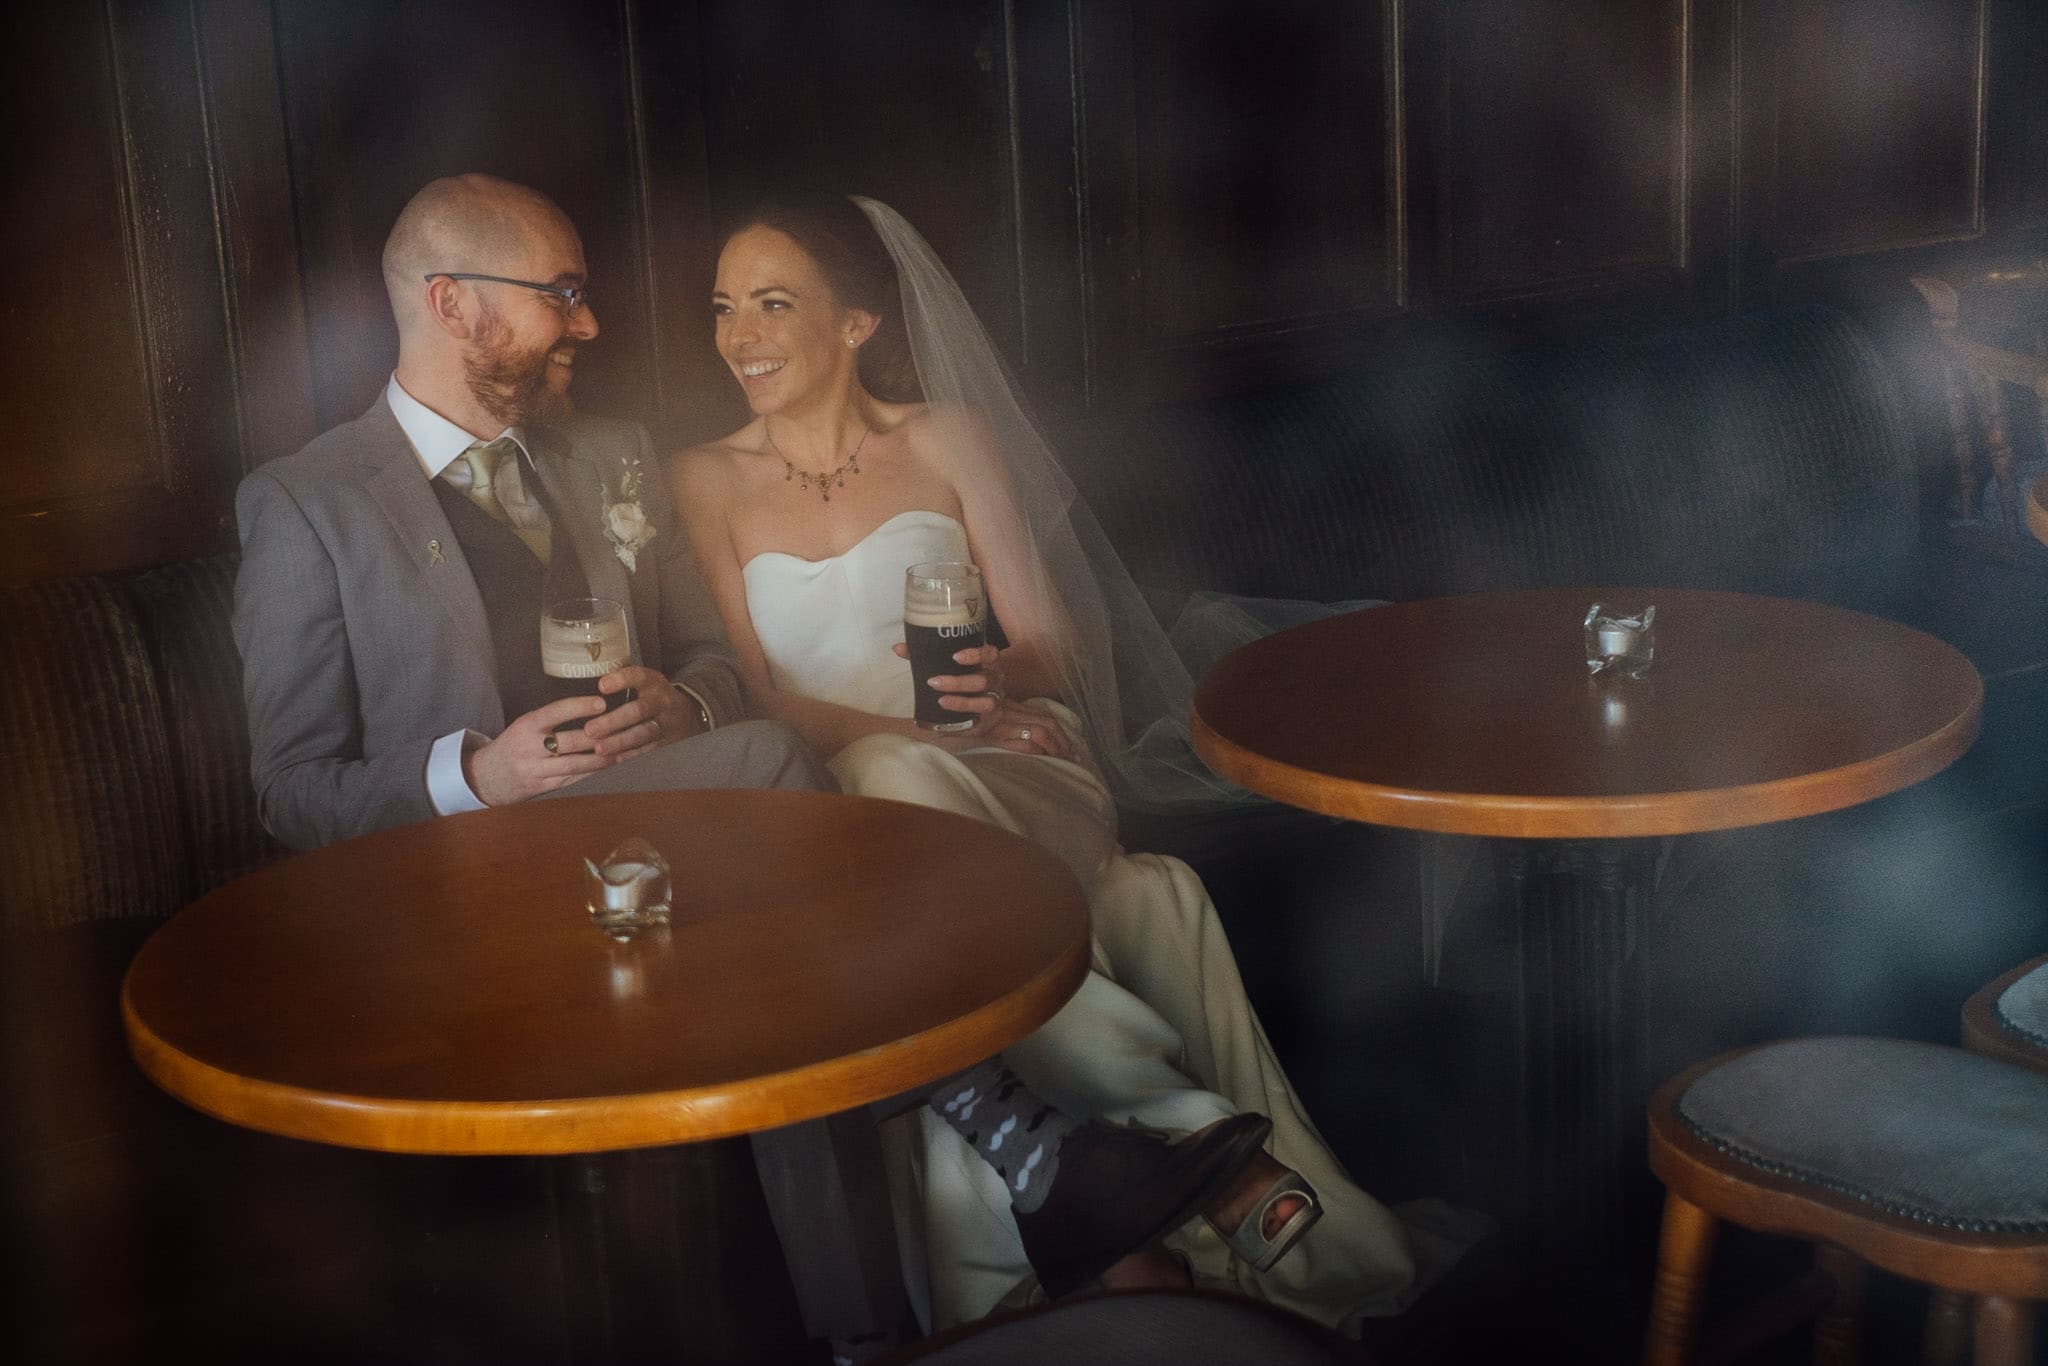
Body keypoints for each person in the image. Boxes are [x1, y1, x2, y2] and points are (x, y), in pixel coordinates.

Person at [229, 173, 1282, 1354]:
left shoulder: (608, 455)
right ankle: (1025, 1147)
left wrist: (684, 701)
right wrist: (481, 776)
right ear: (452, 302)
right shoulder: (306, 504)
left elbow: (713, 665)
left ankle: (878, 1329)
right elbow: (289, 789)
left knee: (793, 945)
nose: (588, 322)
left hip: (669, 856)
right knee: (784, 795)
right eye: (560, 294)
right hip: (473, 891)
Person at [670, 192, 1453, 1332]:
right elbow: (759, 695)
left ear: (857, 323)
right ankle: (1191, 1150)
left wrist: (1000, 681)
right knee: (906, 798)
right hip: (849, 801)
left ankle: (1114, 1219)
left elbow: (1048, 643)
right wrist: (908, 739)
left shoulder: (945, 438)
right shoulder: (703, 478)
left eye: (773, 303)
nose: (738, 335)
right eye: (722, 307)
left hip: (1016, 763)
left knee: (910, 804)